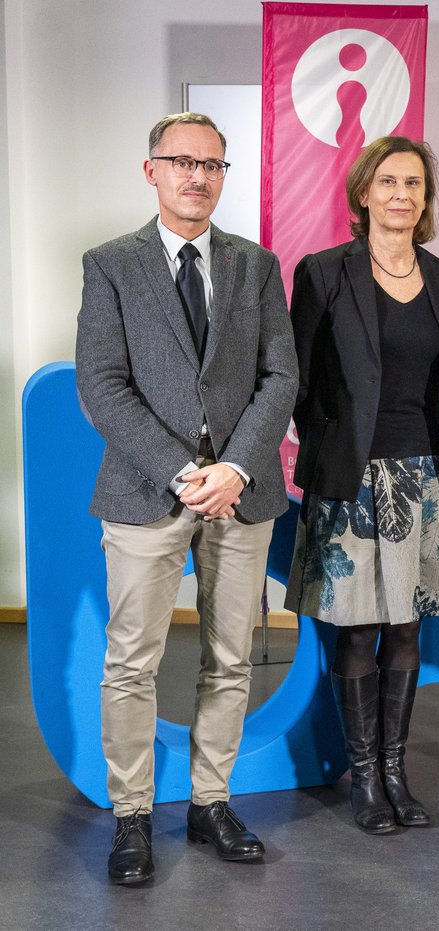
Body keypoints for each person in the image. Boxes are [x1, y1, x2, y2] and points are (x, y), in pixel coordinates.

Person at [75, 112, 298, 884]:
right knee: (132, 661)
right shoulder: (110, 264)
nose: (197, 176)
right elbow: (101, 384)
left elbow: (282, 377)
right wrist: (181, 469)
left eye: (212, 164)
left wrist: (234, 467)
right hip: (144, 489)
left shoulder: (256, 265)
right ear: (152, 171)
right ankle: (131, 816)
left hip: (241, 492)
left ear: (223, 175)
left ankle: (211, 801)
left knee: (230, 658)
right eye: (181, 161)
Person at [285, 137, 439, 834]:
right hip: (352, 478)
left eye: (414, 184)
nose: (401, 194)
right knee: (358, 629)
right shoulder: (326, 272)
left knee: (407, 627)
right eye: (387, 181)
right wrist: (335, 452)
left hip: (421, 475)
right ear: (364, 193)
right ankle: (364, 779)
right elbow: (298, 383)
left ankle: (396, 769)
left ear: (425, 198)